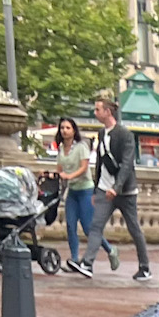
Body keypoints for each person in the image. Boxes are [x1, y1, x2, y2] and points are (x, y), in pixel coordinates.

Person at [91, 96, 151, 281]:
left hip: (125, 192)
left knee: (134, 228)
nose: (95, 113)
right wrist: (96, 189)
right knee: (96, 225)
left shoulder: (125, 134)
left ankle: (145, 267)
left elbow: (127, 164)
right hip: (105, 189)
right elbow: (101, 163)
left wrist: (117, 187)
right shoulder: (101, 134)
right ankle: (86, 263)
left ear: (108, 112)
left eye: (97, 109)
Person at [54, 117, 98, 276]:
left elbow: (84, 168)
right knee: (71, 225)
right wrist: (56, 176)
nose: (64, 131)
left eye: (67, 128)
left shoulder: (81, 147)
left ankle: (110, 249)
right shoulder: (60, 149)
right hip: (72, 191)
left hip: (85, 189)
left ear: (74, 130)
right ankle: (74, 259)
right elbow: (59, 168)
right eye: (62, 128)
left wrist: (70, 175)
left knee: (88, 227)